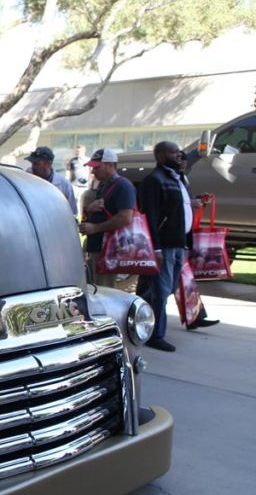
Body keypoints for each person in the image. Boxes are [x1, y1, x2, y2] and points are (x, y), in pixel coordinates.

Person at [136, 144, 219, 350]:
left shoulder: (177, 178)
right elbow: (151, 216)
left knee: (168, 287)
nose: (179, 156)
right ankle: (155, 335)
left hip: (179, 243)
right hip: (164, 245)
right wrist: (155, 248)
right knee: (162, 291)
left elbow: (181, 209)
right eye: (174, 153)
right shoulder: (155, 180)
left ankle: (137, 313)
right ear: (160, 156)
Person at [78, 148, 136, 288]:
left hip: (109, 249)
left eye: (97, 168)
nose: (93, 172)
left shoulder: (123, 185)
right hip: (98, 247)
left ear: (110, 165)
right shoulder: (104, 186)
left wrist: (96, 228)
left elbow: (126, 217)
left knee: (103, 291)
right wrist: (90, 211)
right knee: (95, 289)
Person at [26, 146, 76, 213]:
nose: (33, 167)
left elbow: (72, 212)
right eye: (32, 163)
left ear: (49, 163)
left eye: (36, 164)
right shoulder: (26, 179)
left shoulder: (64, 184)